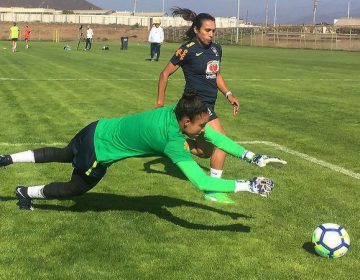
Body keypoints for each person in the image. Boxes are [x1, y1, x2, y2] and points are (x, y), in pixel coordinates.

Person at [0, 91, 286, 211]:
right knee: (74, 189)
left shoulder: (175, 114)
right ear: (187, 122)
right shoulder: (171, 142)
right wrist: (246, 185)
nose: (203, 132)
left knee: (63, 153)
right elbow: (201, 183)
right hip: (98, 152)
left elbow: (219, 138)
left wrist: (252, 157)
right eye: (200, 126)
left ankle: (6, 159)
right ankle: (25, 192)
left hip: (95, 127)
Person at [155, 8, 241, 202]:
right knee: (222, 142)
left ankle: (177, 143)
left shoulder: (216, 49)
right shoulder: (187, 49)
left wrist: (229, 94)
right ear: (196, 30)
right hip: (196, 103)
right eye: (207, 30)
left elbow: (216, 74)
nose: (211, 34)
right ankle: (213, 190)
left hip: (210, 103)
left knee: (205, 152)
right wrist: (159, 102)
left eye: (213, 31)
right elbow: (164, 74)